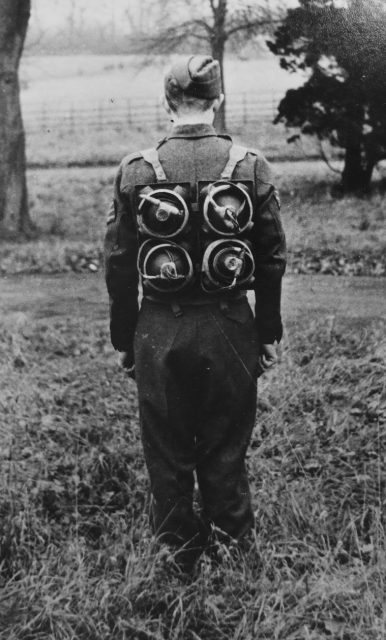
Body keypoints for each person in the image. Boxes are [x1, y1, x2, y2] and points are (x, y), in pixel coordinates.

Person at [104, 55, 286, 569]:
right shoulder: (251, 166)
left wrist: (126, 339)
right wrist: (266, 331)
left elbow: (119, 265)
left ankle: (178, 554)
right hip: (230, 326)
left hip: (160, 327)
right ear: (217, 101)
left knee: (166, 449)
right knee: (227, 444)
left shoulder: (137, 169)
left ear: (167, 101)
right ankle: (234, 552)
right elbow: (272, 257)